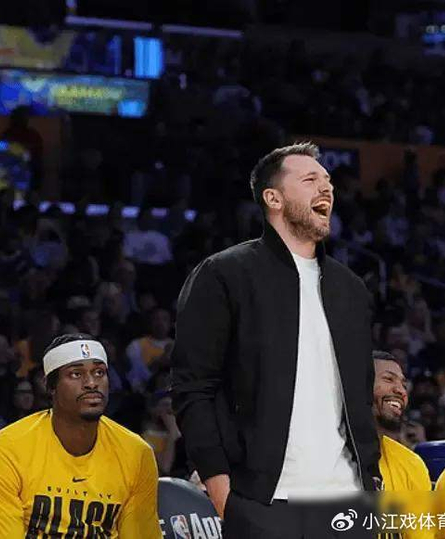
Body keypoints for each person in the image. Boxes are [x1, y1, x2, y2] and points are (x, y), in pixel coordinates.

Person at [171, 142, 380, 538]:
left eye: (328, 180)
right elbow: (193, 387)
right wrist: (221, 487)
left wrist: (370, 479)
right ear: (273, 199)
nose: (327, 188)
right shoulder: (224, 274)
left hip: (349, 502)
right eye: (310, 180)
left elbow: (360, 395)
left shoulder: (350, 288)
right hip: (262, 502)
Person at [0, 333, 162, 537]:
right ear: (50, 386)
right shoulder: (4, 451)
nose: (91, 383)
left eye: (99, 372)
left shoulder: (136, 453)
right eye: (76, 374)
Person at [371, 351, 433, 539]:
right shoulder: (325, 455)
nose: (401, 391)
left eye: (404, 385)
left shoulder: (411, 464)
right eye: (388, 379)